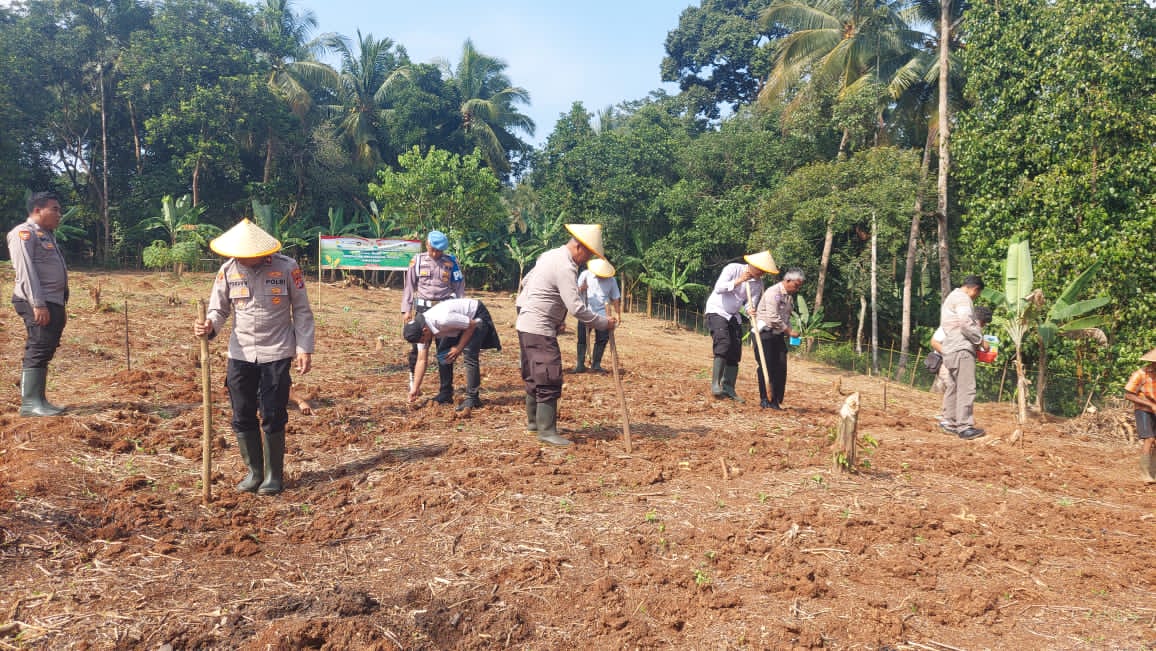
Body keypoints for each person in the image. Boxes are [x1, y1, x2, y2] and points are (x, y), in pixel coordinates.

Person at [193, 219, 315, 496]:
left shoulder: (287, 268)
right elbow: (219, 310)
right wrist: (209, 325)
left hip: (277, 351)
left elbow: (302, 310)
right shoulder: (227, 271)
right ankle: (254, 472)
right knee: (242, 412)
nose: (241, 259)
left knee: (272, 412)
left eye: (246, 255)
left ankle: (273, 475)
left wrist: (304, 348)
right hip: (241, 353)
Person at [516, 224, 618, 446]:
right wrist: (603, 323)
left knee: (534, 374)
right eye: (588, 255)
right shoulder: (565, 266)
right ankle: (546, 431)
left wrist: (555, 318)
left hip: (526, 324)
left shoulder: (549, 255)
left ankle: (534, 424)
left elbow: (526, 283)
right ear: (579, 247)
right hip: (539, 327)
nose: (586, 260)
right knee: (548, 375)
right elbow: (576, 307)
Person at [8, 191, 69, 417]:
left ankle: (40, 400)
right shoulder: (23, 233)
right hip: (36, 300)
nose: (59, 214)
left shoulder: (47, 235)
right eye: (55, 209)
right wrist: (38, 304)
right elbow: (26, 271)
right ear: (37, 210)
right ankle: (30, 404)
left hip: (52, 300)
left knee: (46, 347)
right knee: (39, 345)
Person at [704, 250, 778, 402]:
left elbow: (749, 304)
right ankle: (715, 384)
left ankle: (728, 388)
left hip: (734, 315)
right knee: (723, 343)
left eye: (764, 271)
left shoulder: (758, 284)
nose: (762, 273)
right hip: (717, 310)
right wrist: (739, 280)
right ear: (752, 265)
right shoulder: (733, 269)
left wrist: (750, 311)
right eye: (760, 269)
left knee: (735, 351)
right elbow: (719, 288)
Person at [400, 230, 464, 404]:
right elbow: (409, 286)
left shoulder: (451, 262)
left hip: (444, 310)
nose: (435, 254)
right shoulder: (418, 261)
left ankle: (446, 391)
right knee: (419, 349)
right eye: (433, 249)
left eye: (439, 251)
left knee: (445, 351)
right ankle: (414, 384)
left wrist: (459, 308)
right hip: (423, 310)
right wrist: (406, 310)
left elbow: (459, 286)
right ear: (427, 245)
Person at [403, 297, 501, 411]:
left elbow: (471, 325)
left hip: (475, 315)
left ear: (425, 331)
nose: (423, 343)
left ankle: (473, 398)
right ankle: (446, 393)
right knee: (443, 353)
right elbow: (421, 360)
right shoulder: (420, 329)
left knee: (469, 353)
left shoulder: (443, 319)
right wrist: (415, 388)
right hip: (460, 322)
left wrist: (459, 348)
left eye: (422, 341)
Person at [939, 276, 990, 440]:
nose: (976, 297)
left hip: (950, 348)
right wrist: (980, 340)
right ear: (975, 289)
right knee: (967, 388)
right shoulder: (963, 299)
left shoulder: (951, 297)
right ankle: (965, 427)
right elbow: (966, 323)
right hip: (962, 349)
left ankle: (949, 422)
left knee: (954, 386)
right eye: (977, 294)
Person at [753, 268, 804, 410]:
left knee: (780, 367)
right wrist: (789, 331)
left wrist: (790, 331)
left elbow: (786, 318)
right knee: (766, 366)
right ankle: (765, 399)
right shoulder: (773, 292)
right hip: (765, 334)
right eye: (796, 285)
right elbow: (773, 317)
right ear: (787, 280)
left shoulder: (789, 298)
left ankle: (775, 400)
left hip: (778, 335)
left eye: (799, 287)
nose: (797, 289)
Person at [574, 257, 621, 373]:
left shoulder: (612, 280)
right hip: (586, 311)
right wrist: (582, 288)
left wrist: (618, 314)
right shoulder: (585, 275)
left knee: (602, 339)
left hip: (603, 314)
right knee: (582, 339)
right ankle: (580, 365)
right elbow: (574, 291)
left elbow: (615, 298)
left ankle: (596, 365)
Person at [1123, 348, 1156, 483]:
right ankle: (1145, 474)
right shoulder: (1140, 374)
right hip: (1143, 409)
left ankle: (1153, 472)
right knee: (1149, 438)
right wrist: (1150, 405)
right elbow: (1128, 395)